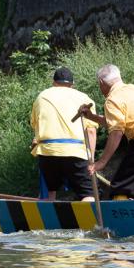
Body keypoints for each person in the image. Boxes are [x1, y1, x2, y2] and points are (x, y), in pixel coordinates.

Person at [76, 65, 134, 200]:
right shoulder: (133, 89)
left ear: (101, 83)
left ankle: (120, 218)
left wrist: (102, 162)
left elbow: (116, 132)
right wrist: (92, 117)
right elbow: (119, 122)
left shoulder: (112, 99)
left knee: (120, 188)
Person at [30, 67, 97, 201]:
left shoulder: (41, 96)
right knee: (88, 194)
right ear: (72, 84)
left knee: (48, 193)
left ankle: (47, 219)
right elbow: (90, 130)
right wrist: (91, 160)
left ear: (54, 82)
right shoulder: (84, 98)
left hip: (48, 151)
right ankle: (92, 220)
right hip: (76, 151)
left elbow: (36, 124)